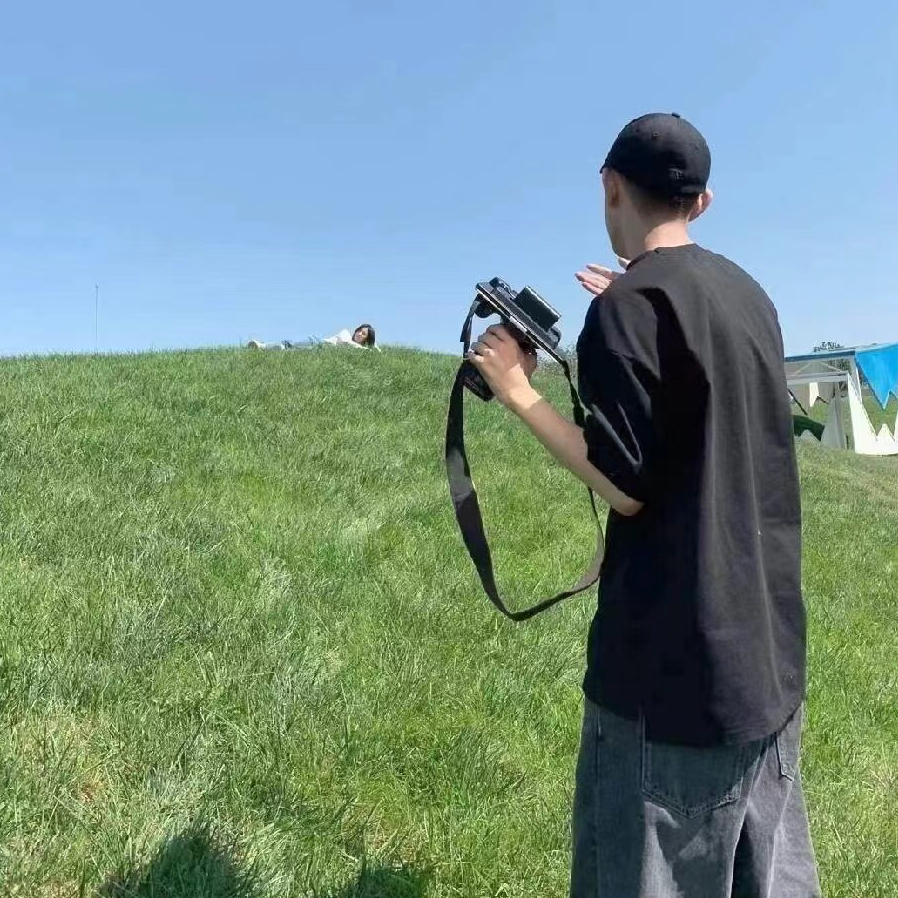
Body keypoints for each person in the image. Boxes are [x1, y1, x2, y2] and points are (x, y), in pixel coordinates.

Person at [468, 113, 819, 897]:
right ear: (702, 203)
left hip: (670, 678)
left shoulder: (630, 307)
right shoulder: (749, 296)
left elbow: (625, 484)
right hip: (766, 659)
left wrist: (517, 390)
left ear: (611, 187)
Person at [248, 323, 379, 351]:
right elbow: (346, 343)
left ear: (366, 340)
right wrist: (368, 349)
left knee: (288, 351)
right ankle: (261, 346)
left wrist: (372, 348)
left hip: (317, 353)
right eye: (359, 331)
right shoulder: (346, 333)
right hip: (318, 343)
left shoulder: (359, 351)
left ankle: (266, 349)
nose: (359, 334)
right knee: (290, 344)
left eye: (363, 334)